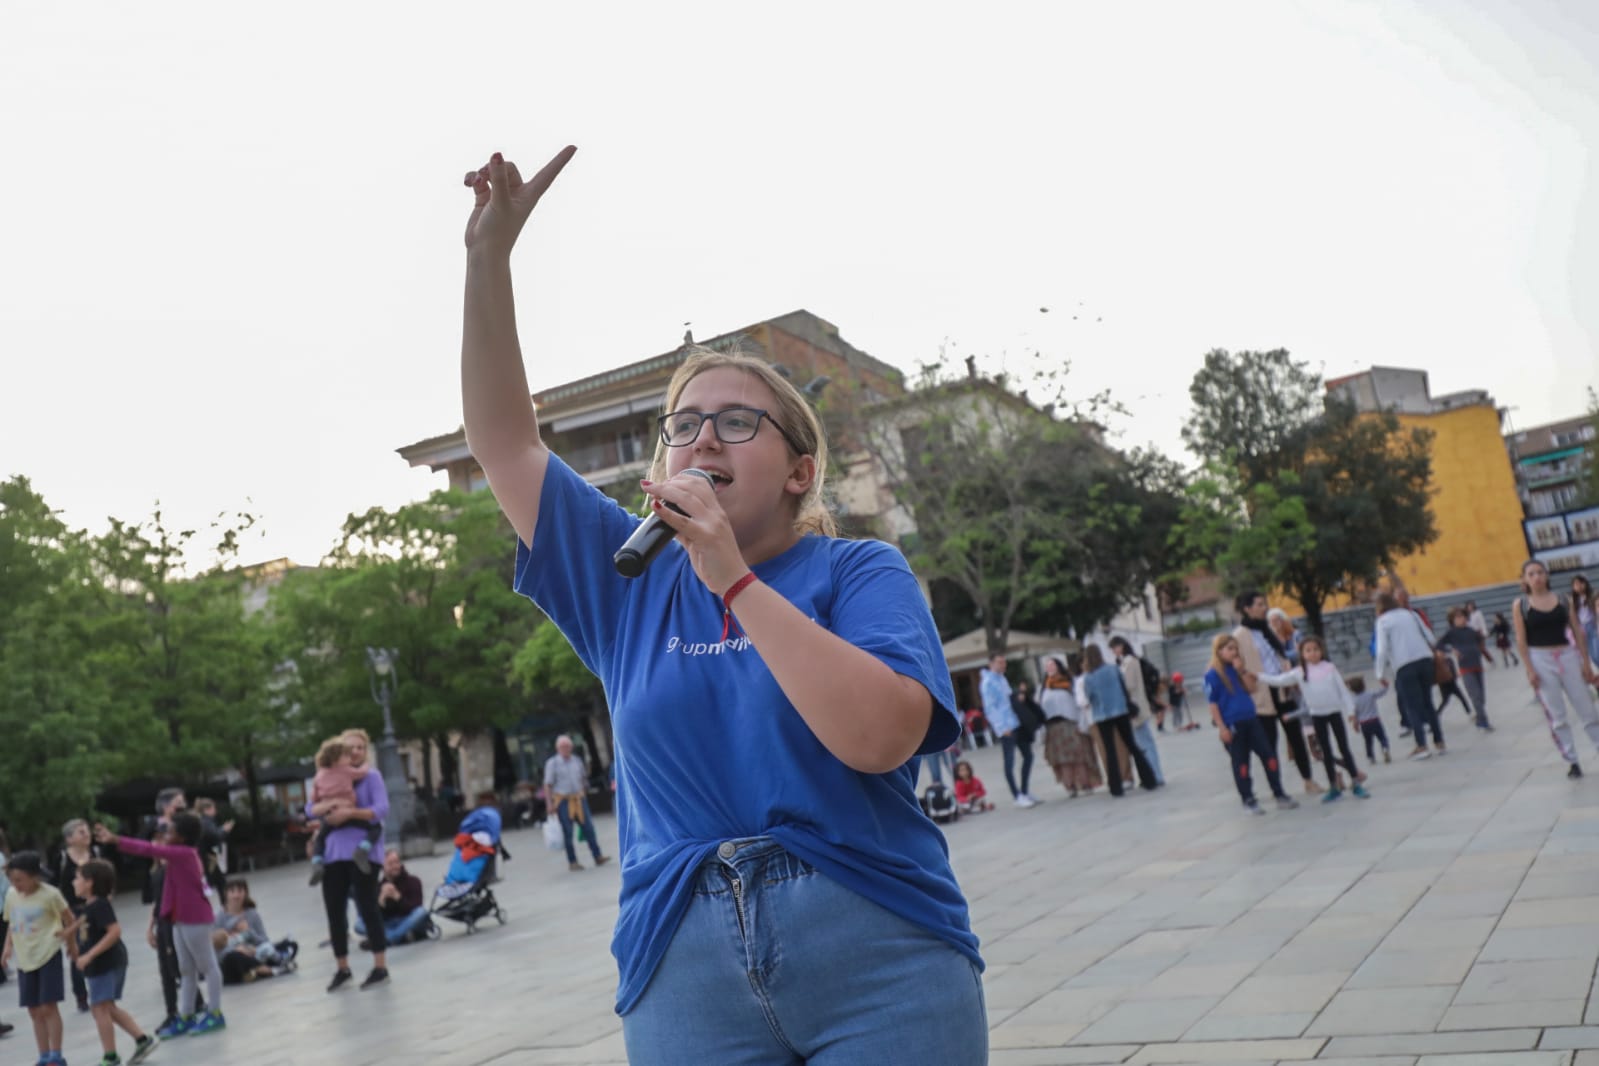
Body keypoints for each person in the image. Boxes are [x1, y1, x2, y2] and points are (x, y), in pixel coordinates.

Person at [462, 144, 985, 1064]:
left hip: (876, 942)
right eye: (684, 427)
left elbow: (879, 738)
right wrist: (487, 260)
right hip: (684, 960)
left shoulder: (858, 573)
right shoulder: (628, 577)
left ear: (798, 470)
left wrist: (733, 580)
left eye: (737, 422)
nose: (704, 436)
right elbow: (505, 441)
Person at [99, 814, 225, 1037]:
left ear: (182, 837)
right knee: (186, 970)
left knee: (207, 966)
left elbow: (148, 849)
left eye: (169, 831)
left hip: (195, 917)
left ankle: (215, 1013)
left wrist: (116, 840)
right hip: (179, 918)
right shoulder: (179, 856)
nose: (164, 835)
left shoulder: (183, 854)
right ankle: (186, 1015)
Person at [305, 727, 391, 991]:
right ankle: (342, 967)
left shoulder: (371, 776)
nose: (355, 752)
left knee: (367, 906)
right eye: (350, 747)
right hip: (333, 853)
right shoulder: (327, 774)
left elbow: (381, 809)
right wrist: (326, 809)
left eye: (360, 748)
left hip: (362, 849)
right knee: (334, 910)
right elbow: (310, 808)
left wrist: (351, 813)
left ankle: (380, 965)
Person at [64, 859, 158, 1066]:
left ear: (90, 882)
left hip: (106, 962)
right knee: (107, 1007)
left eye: (78, 877)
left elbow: (114, 932)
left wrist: (89, 955)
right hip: (100, 964)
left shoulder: (100, 905)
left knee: (100, 1008)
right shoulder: (88, 907)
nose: (73, 881)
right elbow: (86, 931)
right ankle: (142, 1039)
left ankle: (110, 1055)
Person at [1514, 559, 1599, 778]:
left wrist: (1585, 662)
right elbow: (1521, 640)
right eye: (1531, 574)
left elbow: (1577, 631)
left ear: (1547, 575)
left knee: (1587, 708)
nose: (1537, 577)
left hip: (1567, 655)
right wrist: (1529, 669)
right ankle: (1572, 760)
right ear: (1524, 579)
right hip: (1540, 658)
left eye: (1540, 572)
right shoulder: (1521, 605)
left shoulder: (1563, 600)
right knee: (1557, 715)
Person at [1259, 635, 1369, 802]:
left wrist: (1351, 712)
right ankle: (1333, 786)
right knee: (1325, 751)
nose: (1313, 653)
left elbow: (1343, 691)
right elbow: (1279, 681)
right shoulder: (1299, 672)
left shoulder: (1330, 668)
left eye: (1316, 649)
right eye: (1308, 650)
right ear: (1302, 654)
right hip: (1317, 715)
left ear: (1321, 651)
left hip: (1334, 713)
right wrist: (1259, 676)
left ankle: (1355, 782)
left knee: (1344, 747)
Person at [1234, 592, 1319, 793]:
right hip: (1261, 694)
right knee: (1269, 744)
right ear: (1247, 608)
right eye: (1259, 604)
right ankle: (1277, 787)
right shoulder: (1239, 635)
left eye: (1264, 604)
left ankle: (1308, 780)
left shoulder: (1267, 630)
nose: (1264, 608)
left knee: (1296, 736)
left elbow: (1279, 655)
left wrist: (1288, 673)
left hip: (1282, 688)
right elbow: (1238, 666)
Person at [1203, 635, 1298, 814]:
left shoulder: (1237, 669)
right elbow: (1213, 704)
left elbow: (1251, 688)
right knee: (1241, 763)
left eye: (1235, 648)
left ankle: (1279, 793)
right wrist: (1222, 727)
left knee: (1268, 755)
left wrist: (1242, 671)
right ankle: (1248, 799)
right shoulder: (1212, 674)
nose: (1234, 652)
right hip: (1233, 723)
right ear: (1219, 651)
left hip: (1251, 719)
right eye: (1230, 648)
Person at [2, 851, 70, 1064]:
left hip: (48, 954)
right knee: (33, 1009)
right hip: (25, 958)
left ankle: (56, 1055)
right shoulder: (12, 895)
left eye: (19, 879)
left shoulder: (50, 894)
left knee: (48, 1006)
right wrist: (7, 949)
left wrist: (72, 945)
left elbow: (70, 920)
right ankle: (43, 1054)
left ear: (35, 876)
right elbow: (12, 923)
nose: (15, 884)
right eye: (12, 880)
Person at [1373, 589, 1445, 760]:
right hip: (1425, 660)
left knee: (1412, 706)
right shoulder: (1410, 614)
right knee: (1428, 702)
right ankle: (1439, 741)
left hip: (1404, 665)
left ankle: (1422, 745)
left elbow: (1381, 650)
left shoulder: (1382, 621)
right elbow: (1430, 636)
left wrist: (1380, 673)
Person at [1081, 644, 1159, 797]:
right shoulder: (1112, 669)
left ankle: (1116, 787)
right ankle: (1149, 779)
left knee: (1110, 751)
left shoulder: (1088, 677)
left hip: (1102, 715)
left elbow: (1089, 697)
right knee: (1132, 745)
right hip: (1120, 710)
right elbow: (1123, 687)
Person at [306, 736, 381, 885]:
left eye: (360, 748)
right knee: (375, 827)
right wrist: (366, 765)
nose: (350, 757)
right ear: (336, 759)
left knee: (320, 838)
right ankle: (362, 850)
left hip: (329, 815)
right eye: (346, 755)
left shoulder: (319, 775)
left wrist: (325, 803)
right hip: (347, 809)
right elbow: (362, 772)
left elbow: (313, 798)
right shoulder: (346, 770)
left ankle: (317, 862)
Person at [55, 818, 103, 1013]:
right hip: (72, 911)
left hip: (95, 907)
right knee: (77, 951)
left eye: (87, 831)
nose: (86, 835)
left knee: (98, 946)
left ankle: (99, 988)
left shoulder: (96, 853)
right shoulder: (62, 858)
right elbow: (55, 885)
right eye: (81, 832)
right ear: (69, 839)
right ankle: (81, 995)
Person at [543, 736, 612, 870]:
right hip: (563, 801)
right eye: (563, 747)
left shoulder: (576, 760)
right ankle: (572, 861)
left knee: (589, 828)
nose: (566, 749)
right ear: (558, 749)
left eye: (568, 746)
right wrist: (549, 804)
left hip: (579, 799)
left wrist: (584, 791)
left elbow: (583, 778)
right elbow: (548, 785)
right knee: (568, 832)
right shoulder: (553, 763)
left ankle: (597, 856)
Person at [981, 652, 1038, 808]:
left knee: (1028, 755)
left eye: (1004, 662)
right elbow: (990, 708)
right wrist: (1000, 727)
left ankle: (1024, 791)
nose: (1003, 665)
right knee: (1009, 761)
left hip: (1015, 722)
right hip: (1006, 727)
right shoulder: (988, 682)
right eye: (1000, 662)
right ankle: (1016, 794)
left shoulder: (1002, 679)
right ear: (991, 663)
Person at [213, 878, 296, 983]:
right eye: (232, 891)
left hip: (256, 953)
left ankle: (254, 972)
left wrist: (249, 932)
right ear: (226, 894)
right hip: (233, 959)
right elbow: (215, 950)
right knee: (234, 957)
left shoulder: (252, 914)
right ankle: (270, 971)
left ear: (245, 893)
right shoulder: (218, 917)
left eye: (240, 891)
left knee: (290, 944)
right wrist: (237, 949)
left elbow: (265, 940)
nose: (236, 895)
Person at [1039, 656, 1100, 797]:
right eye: (1047, 666)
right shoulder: (1044, 687)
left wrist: (1082, 723)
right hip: (1054, 727)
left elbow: (1078, 703)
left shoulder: (1069, 682)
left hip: (1071, 724)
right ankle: (1070, 786)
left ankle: (1085, 784)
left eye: (1052, 665)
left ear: (1059, 666)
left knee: (1079, 757)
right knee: (1062, 760)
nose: (1050, 668)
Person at [1109, 637, 1165, 786]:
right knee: (1143, 742)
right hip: (1135, 706)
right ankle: (1152, 774)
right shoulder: (1125, 662)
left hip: (1136, 706)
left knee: (1145, 742)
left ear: (1122, 646)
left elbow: (1130, 684)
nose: (1114, 651)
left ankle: (1156, 774)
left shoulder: (1130, 661)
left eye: (1115, 647)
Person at [357, 850, 430, 949]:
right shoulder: (378, 887)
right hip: (389, 923)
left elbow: (416, 907)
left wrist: (398, 897)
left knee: (421, 912)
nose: (395, 866)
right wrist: (381, 899)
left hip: (407, 920)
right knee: (359, 924)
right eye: (390, 864)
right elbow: (376, 916)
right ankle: (395, 937)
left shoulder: (413, 881)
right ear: (383, 867)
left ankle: (387, 939)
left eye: (397, 862)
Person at [1437, 607, 1493, 731]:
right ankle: (1484, 721)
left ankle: (1479, 718)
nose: (1461, 619)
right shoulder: (1451, 633)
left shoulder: (1471, 631)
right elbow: (1439, 644)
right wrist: (1451, 650)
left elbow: (1480, 640)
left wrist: (1479, 650)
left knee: (1481, 696)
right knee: (1475, 695)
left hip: (1477, 665)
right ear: (1452, 620)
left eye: (1462, 616)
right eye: (1457, 617)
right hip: (1465, 668)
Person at [1348, 677, 1392, 763]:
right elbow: (1381, 692)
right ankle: (1385, 748)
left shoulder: (1354, 700)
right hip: (1375, 720)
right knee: (1382, 737)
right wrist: (1385, 686)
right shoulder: (1370, 694)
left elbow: (1355, 714)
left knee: (1368, 742)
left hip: (1364, 723)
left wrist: (1355, 724)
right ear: (1364, 685)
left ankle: (1371, 757)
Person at [1572, 575, 1599, 672]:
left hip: (1593, 626)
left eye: (1581, 583)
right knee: (1593, 656)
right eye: (1576, 584)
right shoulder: (1573, 600)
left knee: (1597, 654)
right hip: (1582, 628)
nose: (1579, 586)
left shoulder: (1593, 595)